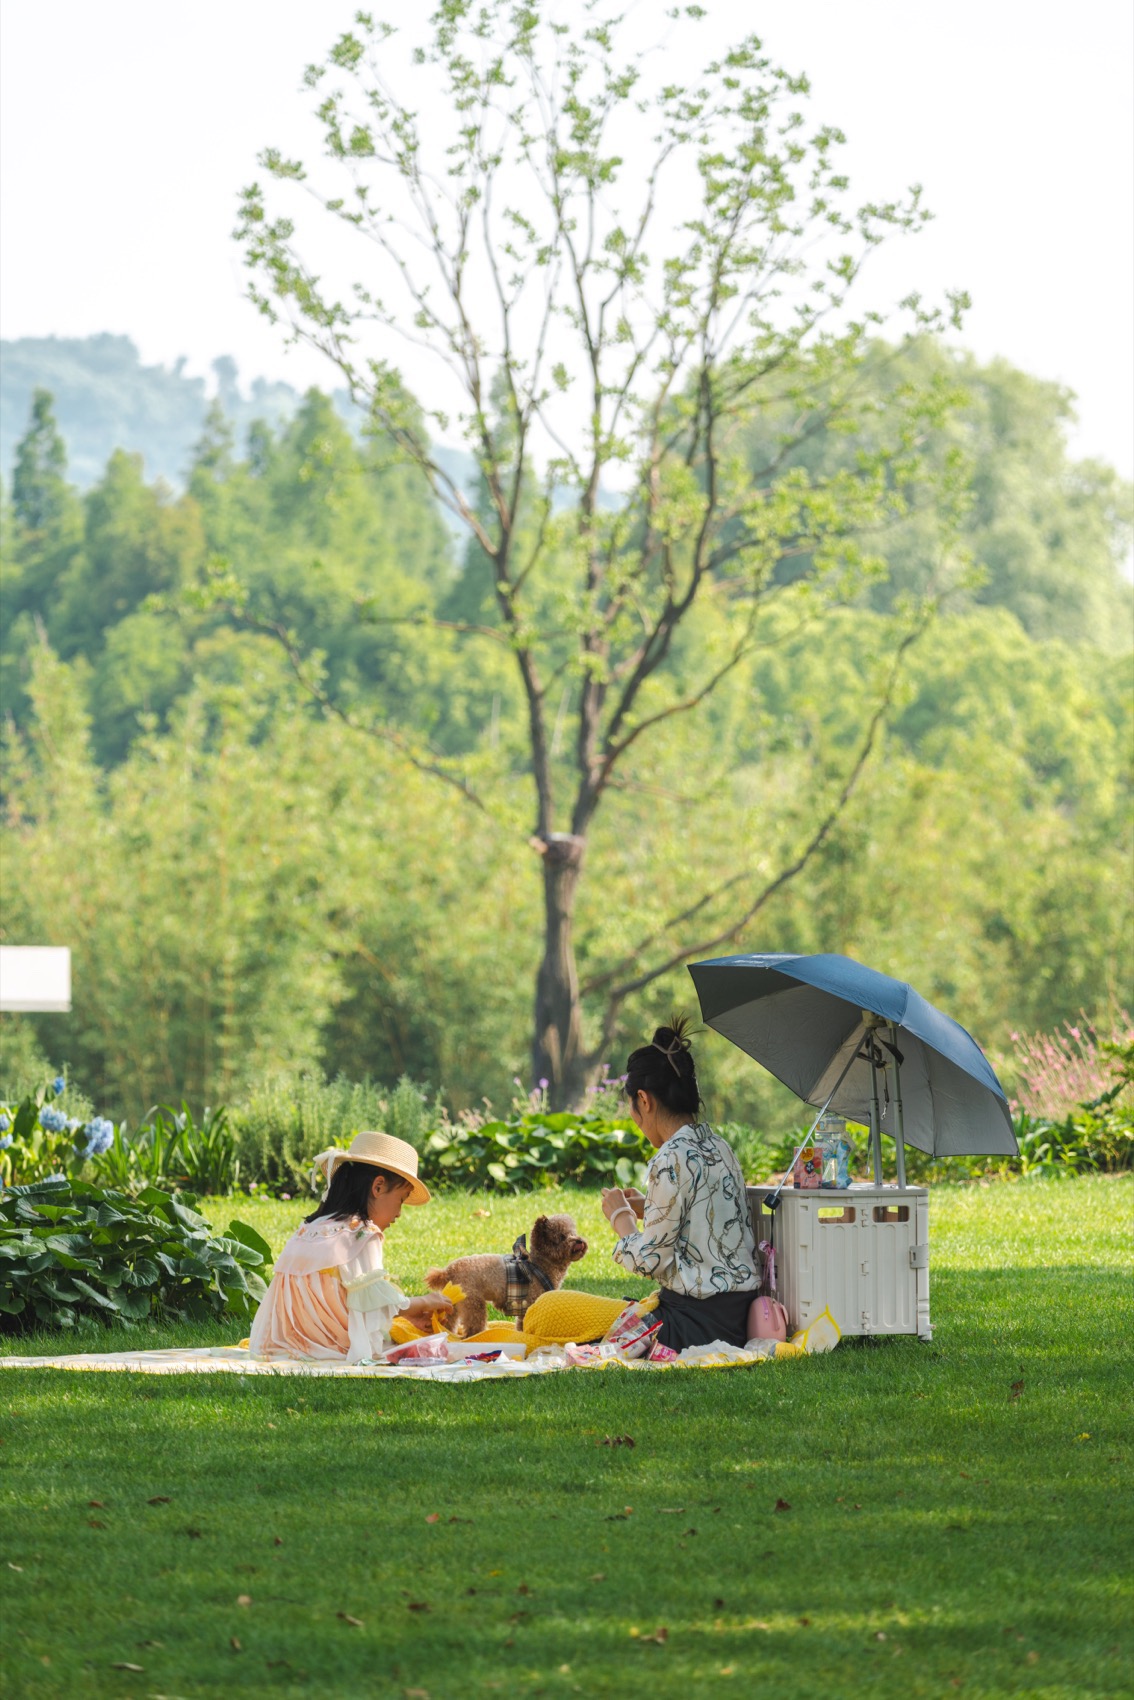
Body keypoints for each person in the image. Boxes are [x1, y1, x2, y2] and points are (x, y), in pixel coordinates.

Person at [600, 1018, 760, 1351]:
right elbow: (701, 1212)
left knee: (583, 1326)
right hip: (738, 1316)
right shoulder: (718, 1145)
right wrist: (650, 1206)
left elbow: (651, 1260)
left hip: (693, 1323)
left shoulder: (670, 1157)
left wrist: (621, 1219)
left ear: (644, 1100)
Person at [249, 1130, 454, 1362]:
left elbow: (344, 1297)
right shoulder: (363, 1235)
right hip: (332, 1344)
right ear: (378, 1187)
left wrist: (403, 1316)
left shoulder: (309, 1228)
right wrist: (423, 1303)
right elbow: (373, 1301)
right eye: (401, 1199)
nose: (399, 1213)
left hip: (288, 1341)